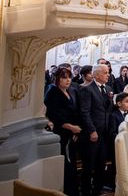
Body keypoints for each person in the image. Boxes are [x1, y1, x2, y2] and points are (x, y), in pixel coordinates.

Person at [44, 67, 81, 196]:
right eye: (64, 77)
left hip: (71, 133)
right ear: (57, 79)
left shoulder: (70, 91)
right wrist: (71, 127)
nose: (68, 80)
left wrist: (75, 131)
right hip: (61, 133)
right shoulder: (52, 91)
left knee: (71, 165)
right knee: (65, 165)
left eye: (69, 77)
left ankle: (73, 191)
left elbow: (74, 112)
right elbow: (54, 114)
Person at [79, 64, 113, 196]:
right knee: (89, 165)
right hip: (93, 133)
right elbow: (85, 112)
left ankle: (98, 190)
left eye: (108, 72)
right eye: (105, 73)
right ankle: (86, 191)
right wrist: (92, 130)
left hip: (105, 133)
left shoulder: (108, 88)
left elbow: (108, 110)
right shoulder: (87, 89)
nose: (108, 75)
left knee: (101, 163)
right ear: (97, 75)